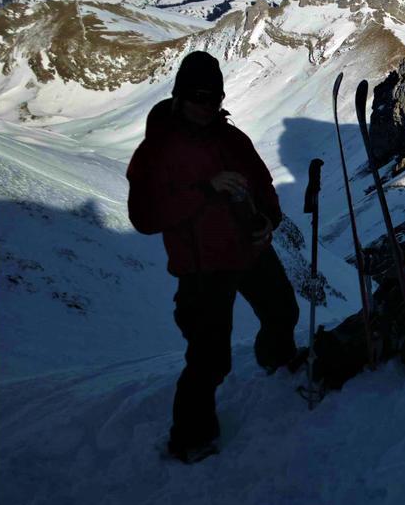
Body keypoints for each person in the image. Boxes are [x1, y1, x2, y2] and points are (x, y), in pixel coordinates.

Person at [126, 50, 301, 463]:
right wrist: (206, 189)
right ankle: (190, 437)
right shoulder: (157, 149)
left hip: (250, 250)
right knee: (209, 357)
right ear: (180, 95)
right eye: (199, 96)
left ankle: (277, 362)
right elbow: (145, 216)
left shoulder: (232, 139)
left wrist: (267, 220)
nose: (207, 106)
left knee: (283, 311)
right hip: (202, 267)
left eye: (215, 97)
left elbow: (262, 184)